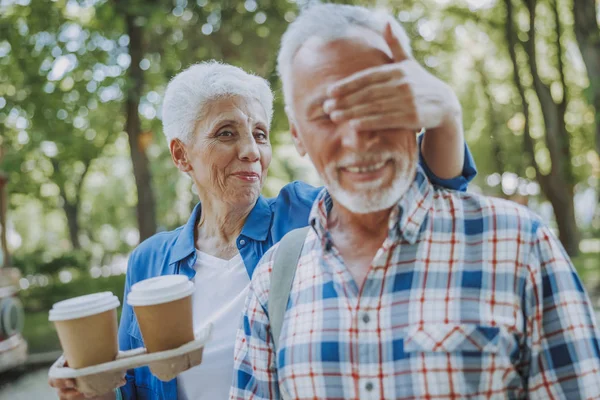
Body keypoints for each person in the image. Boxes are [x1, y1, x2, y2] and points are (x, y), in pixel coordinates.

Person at [49, 53, 475, 400]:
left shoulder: (306, 214)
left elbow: (426, 182)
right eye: (226, 133)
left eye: (260, 133)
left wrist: (445, 116)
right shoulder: (150, 262)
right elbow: (132, 389)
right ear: (181, 156)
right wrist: (89, 389)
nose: (251, 150)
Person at [230, 4, 600, 400]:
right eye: (326, 115)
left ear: (420, 107)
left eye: (379, 104)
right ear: (298, 136)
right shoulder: (273, 281)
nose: (358, 139)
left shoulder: (521, 245)